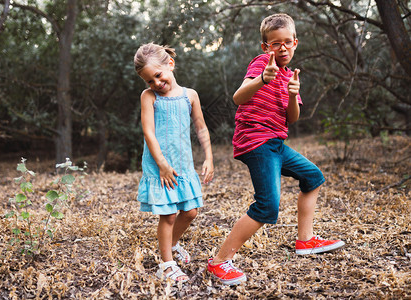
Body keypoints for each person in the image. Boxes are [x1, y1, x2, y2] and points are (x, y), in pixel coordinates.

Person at [207, 13, 345, 285]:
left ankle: (305, 241)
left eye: (287, 42)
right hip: (256, 142)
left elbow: (291, 118)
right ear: (265, 47)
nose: (282, 48)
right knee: (268, 205)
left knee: (313, 177)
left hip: (276, 143)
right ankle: (219, 261)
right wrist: (262, 79)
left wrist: (293, 93)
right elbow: (238, 97)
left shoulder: (289, 76)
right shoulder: (262, 64)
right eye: (275, 43)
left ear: (295, 43)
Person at [134, 43, 214, 283]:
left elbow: (200, 127)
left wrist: (209, 157)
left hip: (182, 163)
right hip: (159, 164)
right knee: (168, 215)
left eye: (157, 76)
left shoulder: (190, 95)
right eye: (149, 81)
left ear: (170, 64)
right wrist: (162, 164)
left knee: (190, 212)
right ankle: (167, 265)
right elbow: (148, 132)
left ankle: (173, 244)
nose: (156, 83)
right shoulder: (148, 97)